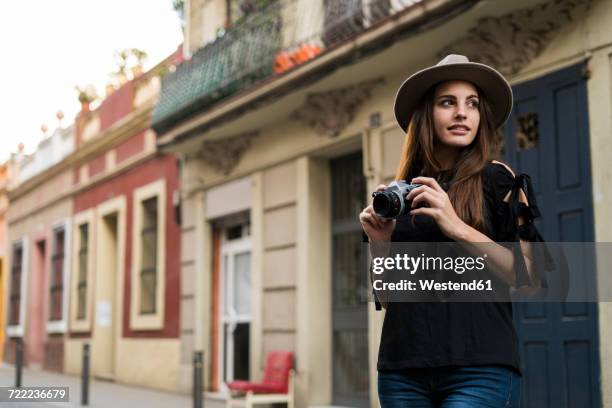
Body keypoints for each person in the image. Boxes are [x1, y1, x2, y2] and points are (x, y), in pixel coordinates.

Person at [359, 54, 547, 407]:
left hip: (480, 369)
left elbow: (529, 278)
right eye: (448, 102)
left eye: (472, 104)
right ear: (426, 114)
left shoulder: (499, 181)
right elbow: (388, 297)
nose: (463, 113)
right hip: (402, 372)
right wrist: (380, 244)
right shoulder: (401, 195)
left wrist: (456, 225)